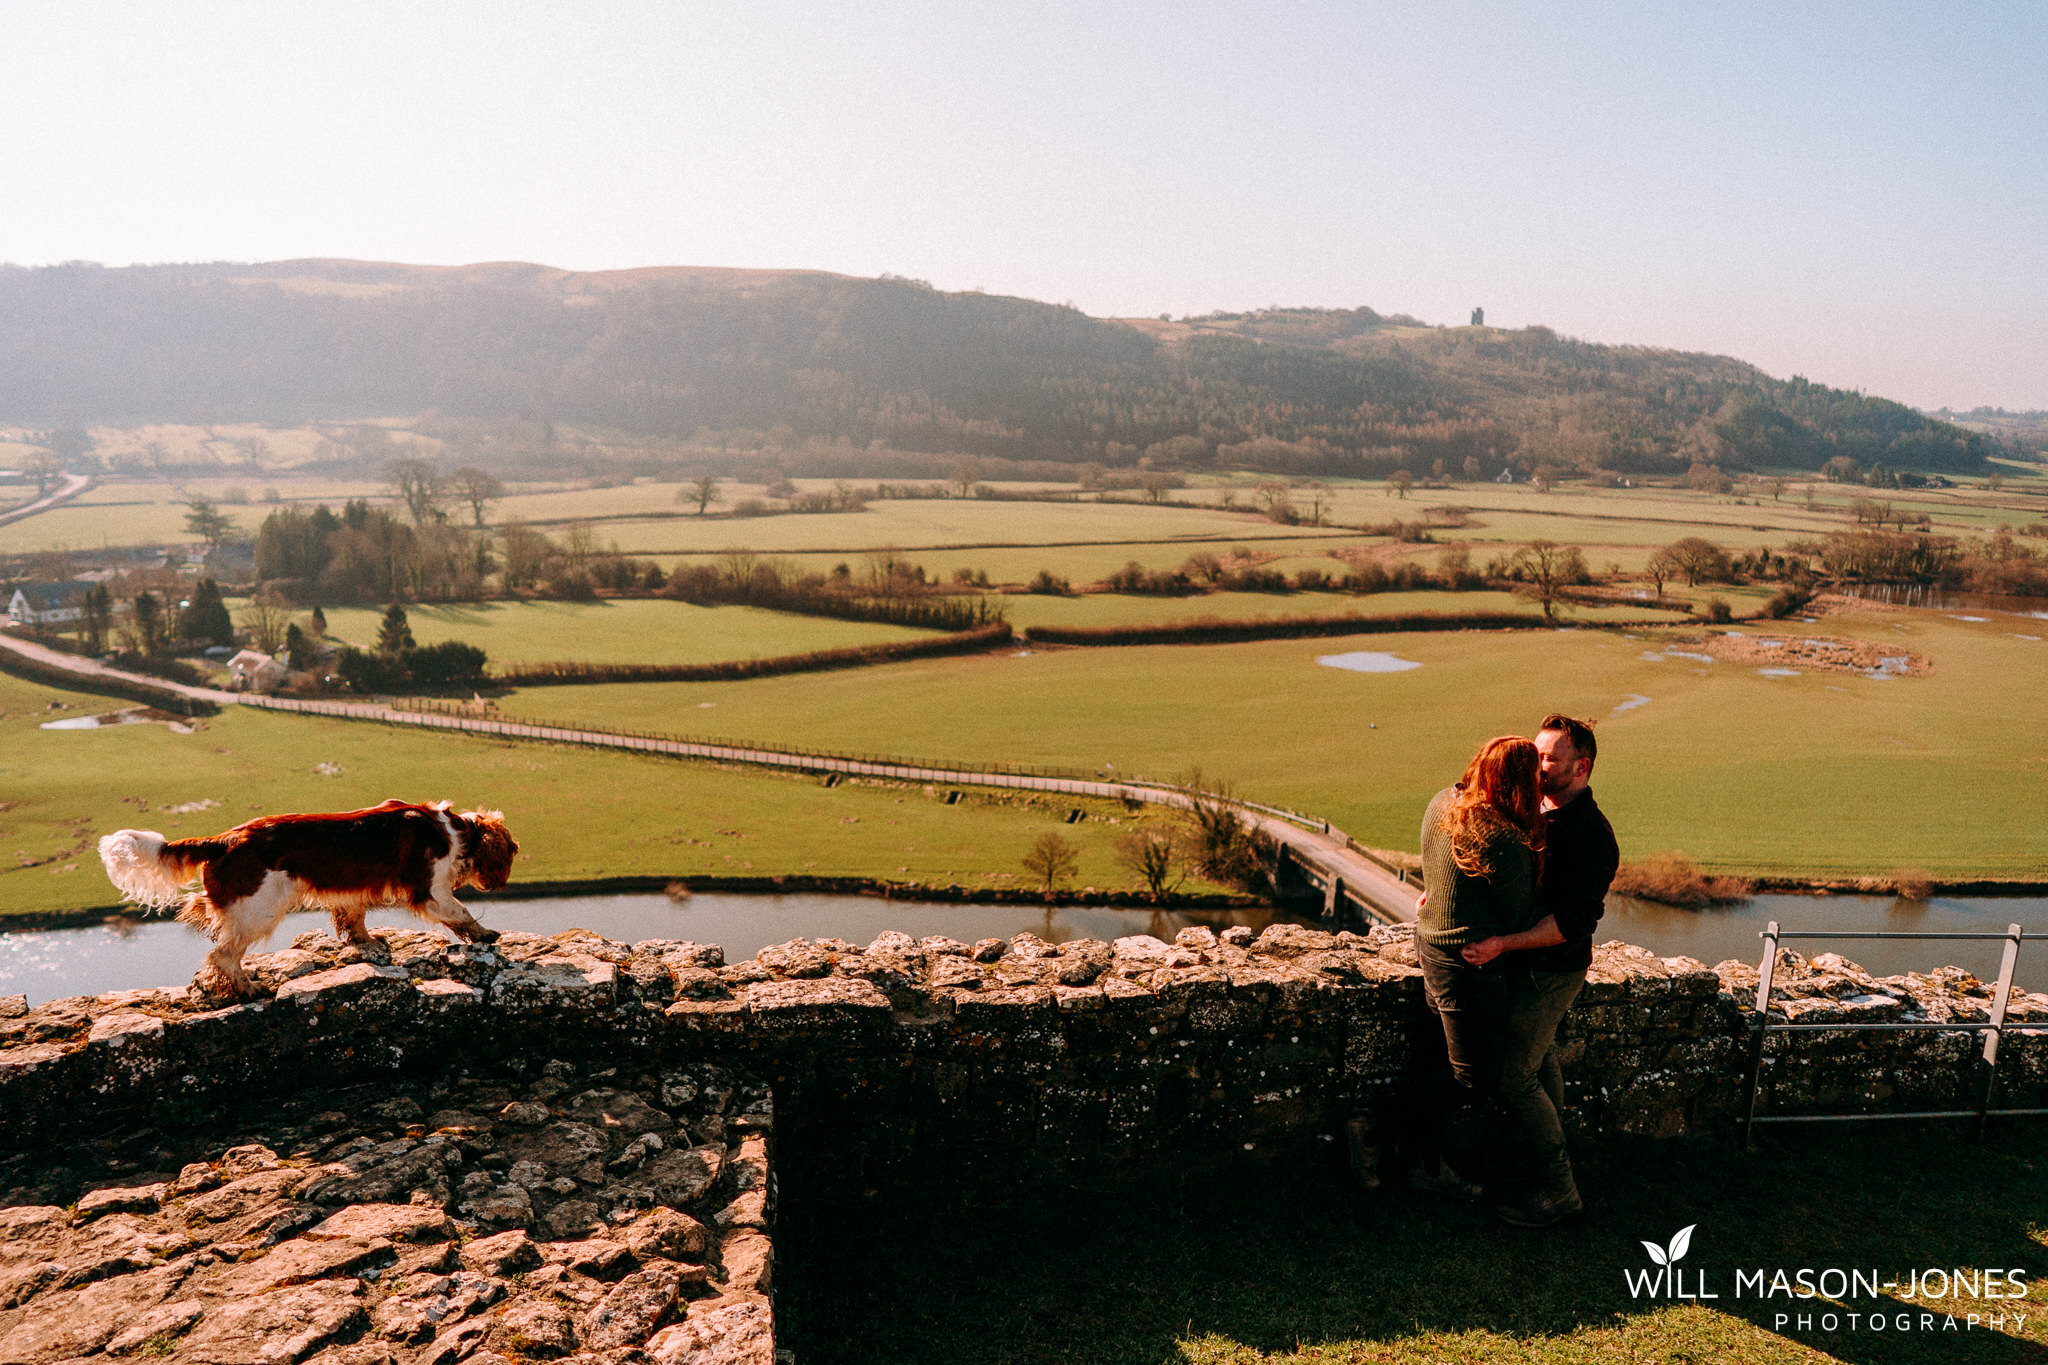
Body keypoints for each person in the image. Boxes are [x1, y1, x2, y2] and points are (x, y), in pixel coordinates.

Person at [1460, 713, 1619, 1227]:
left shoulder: (1593, 836)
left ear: (1581, 767)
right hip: (1522, 966)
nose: (1536, 765)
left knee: (1514, 1076)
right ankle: (1542, 1160)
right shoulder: (1533, 810)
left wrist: (1504, 943)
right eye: (1536, 753)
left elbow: (1572, 923)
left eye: (1548, 758)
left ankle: (1559, 1192)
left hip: (1551, 972)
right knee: (1540, 1063)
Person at [1393, 734, 1546, 1197]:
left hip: (1431, 948)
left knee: (1438, 1055)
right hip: (1469, 965)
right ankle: (1381, 1128)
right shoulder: (1499, 837)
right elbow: (1521, 914)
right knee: (1474, 1077)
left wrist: (1436, 895)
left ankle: (1424, 1159)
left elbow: (1441, 871)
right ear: (1521, 783)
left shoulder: (1445, 800)